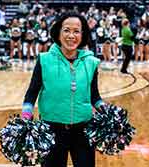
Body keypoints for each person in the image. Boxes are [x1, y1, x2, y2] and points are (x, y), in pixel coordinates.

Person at [21, 12, 105, 167]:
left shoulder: (91, 62)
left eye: (76, 31)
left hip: (83, 131)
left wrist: (107, 112)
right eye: (66, 30)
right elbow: (31, 93)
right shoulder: (44, 60)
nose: (71, 36)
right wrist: (25, 117)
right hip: (51, 130)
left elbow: (95, 95)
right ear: (58, 33)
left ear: (82, 35)